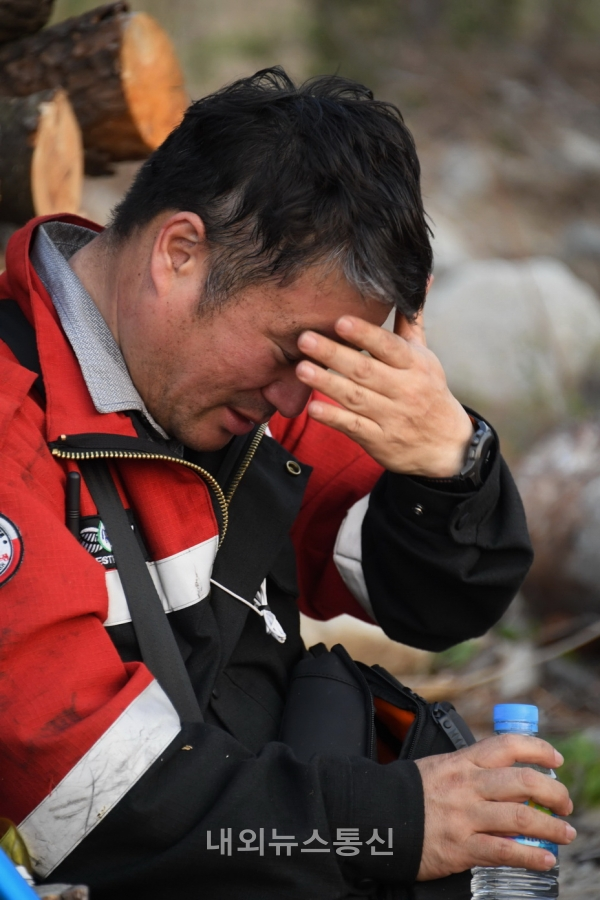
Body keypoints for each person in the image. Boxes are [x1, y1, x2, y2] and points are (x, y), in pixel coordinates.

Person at [0, 68, 574, 899]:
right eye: (291, 348)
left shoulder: (251, 396)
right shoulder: (16, 428)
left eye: (329, 360)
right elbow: (90, 804)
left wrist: (449, 462)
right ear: (180, 254)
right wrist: (389, 823)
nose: (300, 397)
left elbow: (437, 603)